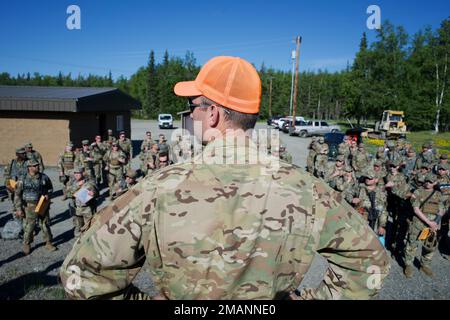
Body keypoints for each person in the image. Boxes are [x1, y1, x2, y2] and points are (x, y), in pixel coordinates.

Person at [60, 55, 389, 300]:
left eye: (192, 108)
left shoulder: (158, 189)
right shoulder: (306, 190)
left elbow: (80, 274)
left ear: (213, 113)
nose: (189, 116)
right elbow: (371, 262)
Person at [403, 173, 446, 278]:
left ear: (435, 183)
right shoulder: (417, 192)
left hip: (432, 226)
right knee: (412, 245)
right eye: (427, 181)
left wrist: (435, 222)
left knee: (429, 246)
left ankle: (425, 265)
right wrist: (429, 222)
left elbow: (441, 210)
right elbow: (416, 210)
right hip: (418, 224)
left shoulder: (438, 194)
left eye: (431, 182)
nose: (428, 183)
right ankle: (408, 265)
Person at [14, 160, 56, 255]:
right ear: (29, 167)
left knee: (45, 224)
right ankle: (27, 243)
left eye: (37, 165)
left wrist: (48, 195)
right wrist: (19, 209)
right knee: (30, 226)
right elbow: (17, 195)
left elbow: (50, 188)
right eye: (35, 165)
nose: (37, 167)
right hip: (29, 206)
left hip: (42, 204)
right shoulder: (22, 179)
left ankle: (48, 242)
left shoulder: (44, 177)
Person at [66, 167, 98, 237]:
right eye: (75, 173)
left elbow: (96, 192)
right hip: (76, 208)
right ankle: (79, 241)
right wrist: (77, 185)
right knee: (78, 226)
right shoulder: (71, 182)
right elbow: (67, 194)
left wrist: (93, 193)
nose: (76, 175)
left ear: (82, 173)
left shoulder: (89, 181)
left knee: (89, 226)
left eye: (78, 173)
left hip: (87, 209)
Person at [4, 148, 28, 214]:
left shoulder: (28, 162)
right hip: (15, 185)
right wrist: (8, 186)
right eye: (22, 153)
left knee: (26, 203)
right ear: (17, 154)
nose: (25, 154)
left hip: (26, 185)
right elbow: (7, 176)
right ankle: (17, 213)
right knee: (16, 201)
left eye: (25, 153)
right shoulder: (12, 163)